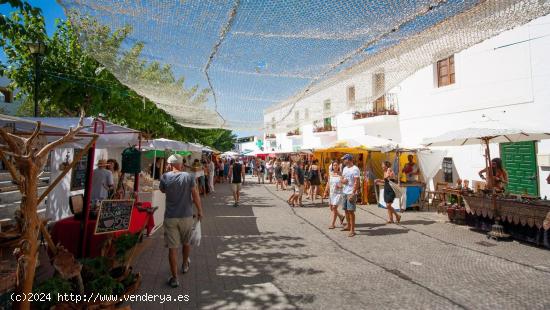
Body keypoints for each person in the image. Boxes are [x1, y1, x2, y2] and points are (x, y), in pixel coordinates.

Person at [160, 154, 203, 288]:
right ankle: (184, 265)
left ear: (170, 164)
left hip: (171, 217)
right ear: (181, 164)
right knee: (186, 242)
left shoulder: (165, 177)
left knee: (173, 248)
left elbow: (162, 190)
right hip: (186, 216)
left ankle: (175, 278)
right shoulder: (189, 177)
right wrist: (200, 210)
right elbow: (195, 195)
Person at [340, 154, 360, 237]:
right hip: (344, 192)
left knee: (351, 211)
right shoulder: (344, 168)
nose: (343, 161)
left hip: (351, 192)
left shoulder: (355, 169)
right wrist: (342, 181)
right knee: (346, 210)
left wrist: (353, 193)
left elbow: (357, 182)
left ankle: (352, 230)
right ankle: (348, 226)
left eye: (344, 159)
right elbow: (342, 178)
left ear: (348, 159)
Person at [324, 161, 345, 229]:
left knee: (334, 208)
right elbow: (328, 183)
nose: (335, 166)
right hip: (332, 193)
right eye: (334, 165)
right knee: (331, 208)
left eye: (336, 165)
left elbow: (344, 183)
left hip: (338, 193)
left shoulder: (341, 174)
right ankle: (341, 216)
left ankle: (333, 224)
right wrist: (325, 191)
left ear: (338, 166)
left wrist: (340, 185)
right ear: (332, 167)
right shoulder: (330, 174)